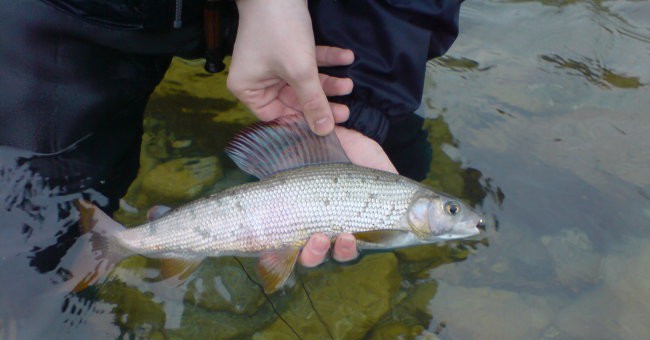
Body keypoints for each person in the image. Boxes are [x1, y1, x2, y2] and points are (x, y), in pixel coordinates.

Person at [0, 0, 462, 273]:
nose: (458, 215)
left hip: (334, 23)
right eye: (451, 209)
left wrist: (362, 111)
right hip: (84, 9)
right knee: (31, 222)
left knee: (402, 155)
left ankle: (123, 244)